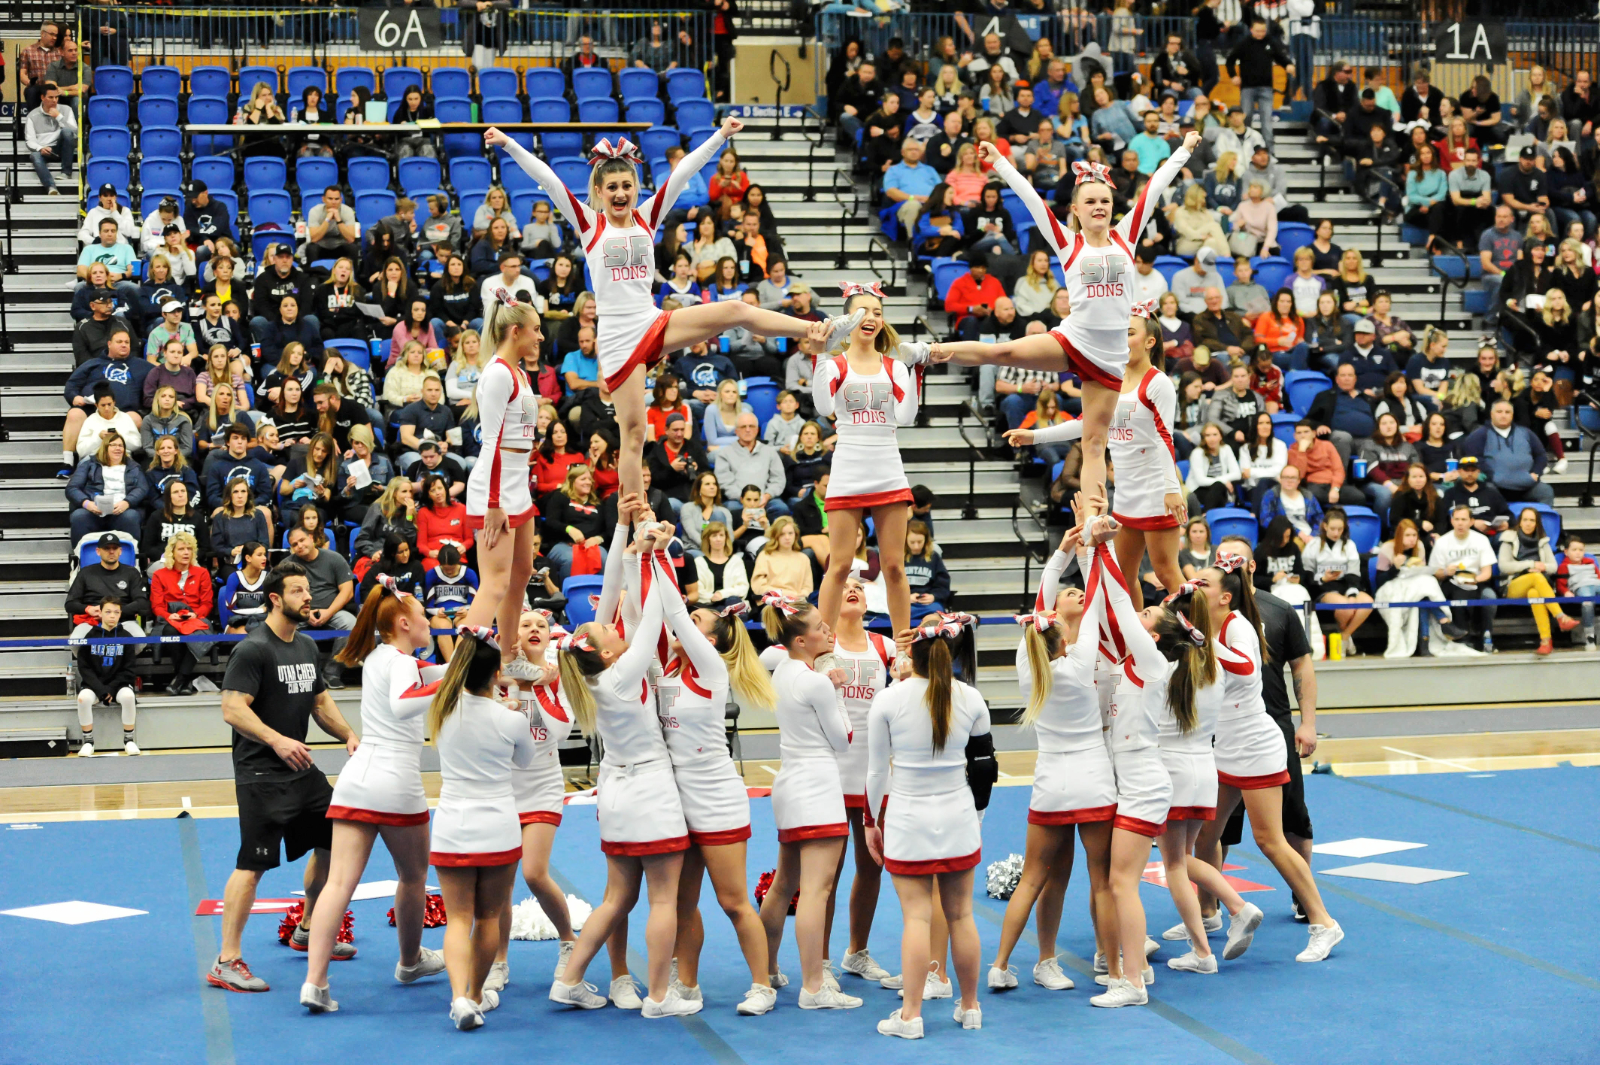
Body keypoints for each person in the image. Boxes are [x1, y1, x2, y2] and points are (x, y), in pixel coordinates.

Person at [487, 120, 851, 512]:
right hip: (617, 339)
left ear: (635, 187)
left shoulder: (648, 216)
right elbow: (550, 178)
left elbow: (684, 171)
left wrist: (720, 135)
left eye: (627, 185)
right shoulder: (589, 224)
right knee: (633, 432)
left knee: (734, 309)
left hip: (653, 322)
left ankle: (818, 330)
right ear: (599, 191)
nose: (620, 193)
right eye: (612, 187)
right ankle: (635, 514)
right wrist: (508, 143)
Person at [923, 134, 1199, 532]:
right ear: (1076, 210)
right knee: (1003, 353)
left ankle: (1094, 520)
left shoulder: (1127, 235)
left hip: (1109, 358)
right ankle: (929, 351)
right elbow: (1033, 200)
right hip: (1074, 339)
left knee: (1093, 443)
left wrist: (1184, 150)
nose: (1099, 207)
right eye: (1090, 201)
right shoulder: (1068, 243)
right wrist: (1000, 161)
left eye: (1104, 200)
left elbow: (1155, 186)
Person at [551, 525, 697, 1015]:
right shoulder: (622, 672)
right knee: (662, 899)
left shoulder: (590, 678)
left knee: (616, 898)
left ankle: (569, 978)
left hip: (613, 787)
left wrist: (619, 531)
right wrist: (655, 556)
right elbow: (656, 614)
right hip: (649, 788)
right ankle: (658, 996)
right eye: (604, 628)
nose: (609, 620)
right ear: (609, 651)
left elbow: (610, 586)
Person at [208, 562, 358, 994]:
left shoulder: (307, 647)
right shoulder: (254, 649)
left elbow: (320, 701)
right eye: (298, 591)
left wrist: (349, 734)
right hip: (261, 773)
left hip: (301, 772)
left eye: (308, 590)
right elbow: (233, 708)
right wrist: (277, 740)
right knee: (252, 865)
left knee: (334, 838)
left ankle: (309, 927)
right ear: (275, 599)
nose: (308, 597)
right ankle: (227, 960)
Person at [297, 576, 444, 1012]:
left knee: (339, 882)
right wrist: (450, 682)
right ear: (404, 622)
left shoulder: (382, 657)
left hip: (357, 777)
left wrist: (468, 667)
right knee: (414, 876)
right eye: (423, 616)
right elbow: (406, 701)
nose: (430, 621)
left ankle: (315, 983)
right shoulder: (401, 663)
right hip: (393, 781)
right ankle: (410, 960)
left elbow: (430, 674)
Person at [992, 531, 1115, 993]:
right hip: (1092, 775)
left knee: (1037, 879)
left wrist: (1064, 554)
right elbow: (1103, 599)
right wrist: (1090, 548)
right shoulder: (1082, 659)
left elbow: (1046, 604)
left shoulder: (1030, 666)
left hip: (1050, 780)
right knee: (1101, 880)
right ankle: (1112, 968)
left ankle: (1005, 964)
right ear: (1061, 637)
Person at [866, 611, 991, 1038]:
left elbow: (876, 773)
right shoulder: (971, 699)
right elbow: (985, 767)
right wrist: (978, 815)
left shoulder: (889, 699)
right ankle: (971, 1007)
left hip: (908, 817)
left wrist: (870, 822)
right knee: (961, 915)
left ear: (911, 655)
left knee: (917, 919)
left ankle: (911, 1015)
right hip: (956, 814)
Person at [420, 624, 535, 1029]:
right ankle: (474, 993)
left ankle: (458, 998)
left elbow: (448, 672)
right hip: (498, 824)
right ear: (495, 674)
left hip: (453, 822)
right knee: (489, 918)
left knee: (459, 919)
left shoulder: (441, 707)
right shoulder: (510, 719)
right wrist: (514, 698)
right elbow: (526, 762)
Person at [756, 593, 860, 1008]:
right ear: (800, 642)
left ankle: (765, 969)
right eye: (819, 627)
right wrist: (836, 689)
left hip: (789, 784)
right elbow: (844, 740)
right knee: (817, 891)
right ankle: (814, 986)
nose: (828, 630)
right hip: (817, 786)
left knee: (784, 885)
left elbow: (768, 651)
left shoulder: (781, 667)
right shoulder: (816, 682)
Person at [809, 284, 919, 639]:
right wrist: (822, 355)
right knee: (838, 566)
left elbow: (905, 418)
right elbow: (824, 408)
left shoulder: (894, 366)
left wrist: (914, 370)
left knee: (894, 567)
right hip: (848, 467)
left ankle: (903, 650)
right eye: (863, 311)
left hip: (887, 466)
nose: (871, 318)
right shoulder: (836, 363)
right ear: (847, 319)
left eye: (877, 312)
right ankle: (823, 646)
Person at [1498, 507, 1581, 655]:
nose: (1528, 523)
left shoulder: (1542, 540)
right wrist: (1531, 564)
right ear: (1520, 522)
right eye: (1525, 520)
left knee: (1535, 592)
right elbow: (1504, 566)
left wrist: (1541, 567)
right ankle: (1561, 617)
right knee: (1536, 578)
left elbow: (1553, 567)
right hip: (1513, 585)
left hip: (1537, 584)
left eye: (1532, 520)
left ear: (1537, 523)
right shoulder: (1509, 538)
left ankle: (1546, 641)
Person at [286, 526, 357, 688]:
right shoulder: (287, 565)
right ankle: (305, 674)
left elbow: (347, 592)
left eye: (302, 540)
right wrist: (303, 613)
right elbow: (284, 597)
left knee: (351, 625)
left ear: (311, 538)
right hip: (299, 613)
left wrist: (328, 612)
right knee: (282, 627)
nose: (299, 546)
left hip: (332, 611)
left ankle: (332, 673)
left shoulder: (334, 559)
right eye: (294, 544)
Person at [75, 596, 141, 757]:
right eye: (108, 612)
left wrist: (110, 689)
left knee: (128, 697)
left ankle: (129, 740)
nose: (112, 615)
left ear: (120, 615)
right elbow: (84, 667)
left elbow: (128, 669)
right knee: (83, 698)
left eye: (116, 612)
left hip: (118, 685)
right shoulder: (91, 636)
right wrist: (100, 690)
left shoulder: (126, 637)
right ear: (101, 614)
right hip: (95, 685)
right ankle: (88, 742)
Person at [1456, 399, 1554, 505]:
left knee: (1546, 491)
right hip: (1495, 487)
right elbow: (1474, 459)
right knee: (1486, 491)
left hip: (1527, 485)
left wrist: (1536, 473)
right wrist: (1491, 476)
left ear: (1512, 415)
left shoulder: (1526, 433)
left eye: (1507, 412)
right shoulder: (1479, 435)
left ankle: (1540, 521)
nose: (1503, 415)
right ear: (1491, 414)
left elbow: (1541, 455)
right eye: (1499, 412)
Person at [1301, 508, 1373, 651]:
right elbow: (1306, 574)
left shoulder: (1349, 545)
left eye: (1340, 529)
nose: (1336, 533)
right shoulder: (1313, 545)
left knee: (1367, 602)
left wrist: (1352, 594)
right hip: (1322, 586)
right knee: (1345, 609)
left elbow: (1353, 572)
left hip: (1346, 585)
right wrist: (1323, 578)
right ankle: (1345, 640)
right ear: (1325, 526)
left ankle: (1345, 635)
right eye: (1333, 528)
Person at [149, 532, 212, 695]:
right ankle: (185, 681)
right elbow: (157, 605)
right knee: (170, 631)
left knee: (198, 633)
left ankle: (180, 680)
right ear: (172, 552)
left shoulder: (202, 573)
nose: (186, 553)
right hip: (171, 619)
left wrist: (196, 614)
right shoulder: (159, 575)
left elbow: (206, 603)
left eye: (189, 549)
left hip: (196, 618)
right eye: (182, 549)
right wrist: (168, 615)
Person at [1430, 504, 1499, 650]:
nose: (1460, 523)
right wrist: (1446, 572)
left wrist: (1475, 580)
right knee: (1458, 596)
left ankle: (1485, 636)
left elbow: (1487, 572)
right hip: (1451, 581)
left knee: (1489, 596)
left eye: (1464, 519)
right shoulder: (1442, 542)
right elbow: (1436, 573)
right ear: (1451, 521)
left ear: (1471, 521)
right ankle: (1462, 638)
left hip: (1476, 580)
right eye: (1457, 519)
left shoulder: (1481, 540)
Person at [1226, 19, 1294, 154]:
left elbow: (1279, 56)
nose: (1261, 34)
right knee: (1246, 118)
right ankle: (1245, 150)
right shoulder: (1244, 43)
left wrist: (1287, 64)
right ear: (1251, 30)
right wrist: (1233, 75)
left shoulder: (1270, 42)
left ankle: (1269, 152)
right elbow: (1230, 60)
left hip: (1266, 88)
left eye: (1263, 31)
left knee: (1267, 121)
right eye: (1258, 31)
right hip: (1247, 88)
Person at [24, 83, 76, 195]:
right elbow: (30, 140)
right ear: (42, 98)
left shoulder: (66, 110)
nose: (55, 100)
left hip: (62, 148)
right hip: (46, 150)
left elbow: (75, 133)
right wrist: (40, 147)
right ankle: (51, 188)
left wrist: (59, 117)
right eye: (50, 97)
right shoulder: (32, 116)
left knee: (67, 131)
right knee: (34, 155)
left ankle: (66, 172)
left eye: (56, 97)